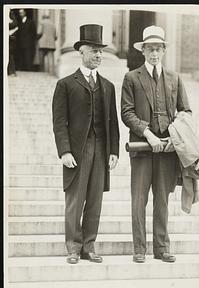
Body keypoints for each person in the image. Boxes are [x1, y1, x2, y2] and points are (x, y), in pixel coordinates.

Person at [121, 25, 191, 263]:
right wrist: (147, 134)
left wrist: (176, 134)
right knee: (139, 200)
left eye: (158, 49)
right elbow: (126, 113)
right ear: (143, 51)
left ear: (163, 51)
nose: (154, 53)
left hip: (168, 150)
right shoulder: (131, 77)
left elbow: (185, 111)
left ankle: (161, 248)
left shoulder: (175, 78)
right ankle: (139, 249)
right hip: (141, 148)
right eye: (150, 49)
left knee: (162, 199)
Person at [52, 24, 120, 264]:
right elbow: (59, 122)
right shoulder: (66, 84)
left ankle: (88, 247)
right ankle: (73, 247)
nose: (99, 55)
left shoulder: (108, 87)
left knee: (94, 200)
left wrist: (114, 151)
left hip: (101, 150)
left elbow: (112, 122)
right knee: (75, 200)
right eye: (93, 50)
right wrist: (64, 151)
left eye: (101, 51)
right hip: (77, 152)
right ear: (81, 51)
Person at [37, 10, 57, 75]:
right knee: (50, 59)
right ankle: (51, 73)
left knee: (41, 59)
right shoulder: (53, 24)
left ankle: (42, 73)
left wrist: (36, 38)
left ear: (43, 16)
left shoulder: (41, 22)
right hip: (51, 44)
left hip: (42, 43)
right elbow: (55, 36)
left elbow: (39, 33)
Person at [8, 9, 18, 76]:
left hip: (10, 39)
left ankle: (12, 71)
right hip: (9, 38)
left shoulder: (11, 16)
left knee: (10, 55)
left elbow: (15, 24)